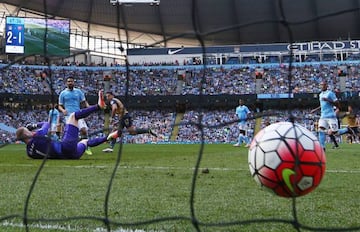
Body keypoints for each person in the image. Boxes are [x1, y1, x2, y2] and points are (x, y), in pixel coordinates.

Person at [15, 91, 117, 159]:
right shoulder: (37, 136)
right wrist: (34, 125)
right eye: (27, 130)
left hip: (71, 155)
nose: (29, 131)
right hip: (66, 147)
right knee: (73, 116)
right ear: (27, 134)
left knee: (85, 141)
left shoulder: (29, 153)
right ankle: (98, 106)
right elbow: (47, 124)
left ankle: (108, 137)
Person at [58, 76, 93, 155]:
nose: (70, 83)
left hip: (78, 114)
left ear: (74, 82)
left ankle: (86, 147)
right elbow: (59, 105)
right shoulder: (63, 93)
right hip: (69, 117)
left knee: (84, 130)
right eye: (68, 81)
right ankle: (66, 149)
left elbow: (84, 102)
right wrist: (63, 110)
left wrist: (89, 108)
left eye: (71, 81)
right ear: (66, 83)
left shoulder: (78, 92)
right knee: (70, 135)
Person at [310, 81, 348, 151]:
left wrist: (328, 100)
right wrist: (315, 110)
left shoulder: (330, 93)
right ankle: (322, 147)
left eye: (323, 85)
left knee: (335, 133)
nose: (321, 86)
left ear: (326, 86)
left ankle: (347, 130)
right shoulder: (320, 94)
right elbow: (322, 105)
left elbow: (338, 105)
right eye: (320, 85)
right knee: (320, 130)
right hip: (323, 116)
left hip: (331, 116)